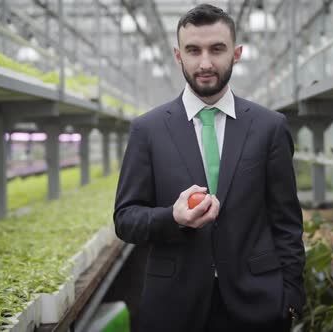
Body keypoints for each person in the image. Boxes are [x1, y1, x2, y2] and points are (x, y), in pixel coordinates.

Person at [113, 4, 305, 332]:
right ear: (178, 55)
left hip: (257, 304)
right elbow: (126, 219)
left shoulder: (269, 127)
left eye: (217, 49)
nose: (205, 63)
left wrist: (291, 295)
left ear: (237, 53)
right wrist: (172, 217)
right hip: (174, 306)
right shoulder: (148, 130)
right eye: (193, 50)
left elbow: (286, 221)